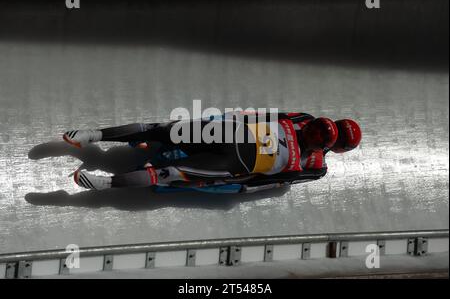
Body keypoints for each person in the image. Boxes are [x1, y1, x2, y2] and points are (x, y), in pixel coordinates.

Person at [63, 111, 362, 191]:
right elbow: (265, 115)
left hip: (236, 160)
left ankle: (105, 184)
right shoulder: (303, 119)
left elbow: (275, 181)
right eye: (318, 127)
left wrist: (239, 184)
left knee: (168, 174)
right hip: (231, 133)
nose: (311, 132)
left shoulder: (317, 167)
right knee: (161, 129)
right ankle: (95, 135)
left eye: (317, 136)